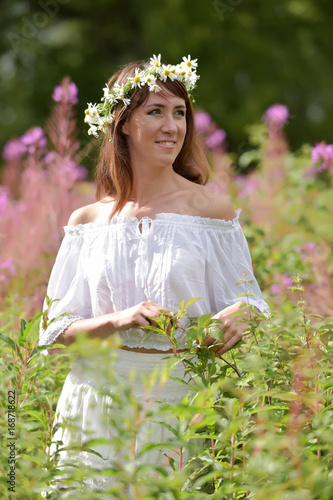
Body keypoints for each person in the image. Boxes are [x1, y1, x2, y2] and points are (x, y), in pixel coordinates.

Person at [39, 54, 269, 494]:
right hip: (95, 400)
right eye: (156, 111)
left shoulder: (210, 208)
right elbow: (54, 331)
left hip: (178, 399)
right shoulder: (87, 221)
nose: (172, 126)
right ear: (124, 123)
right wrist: (120, 319)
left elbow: (251, 300)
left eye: (180, 113)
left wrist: (237, 317)